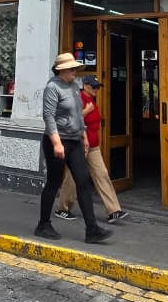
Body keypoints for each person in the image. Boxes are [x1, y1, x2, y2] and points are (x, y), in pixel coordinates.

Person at [35, 53, 112, 244]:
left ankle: (92, 230)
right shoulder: (52, 87)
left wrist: (83, 135)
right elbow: (49, 117)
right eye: (71, 69)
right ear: (61, 70)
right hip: (58, 141)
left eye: (75, 68)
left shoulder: (74, 87)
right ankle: (43, 224)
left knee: (83, 181)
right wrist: (56, 143)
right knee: (53, 183)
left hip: (75, 141)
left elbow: (78, 114)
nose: (74, 71)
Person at [53, 74, 130, 224]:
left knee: (102, 175)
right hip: (78, 145)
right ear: (85, 86)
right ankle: (62, 208)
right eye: (93, 86)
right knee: (72, 179)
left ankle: (113, 211)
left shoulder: (91, 101)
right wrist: (85, 113)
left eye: (98, 87)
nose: (96, 89)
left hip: (93, 146)